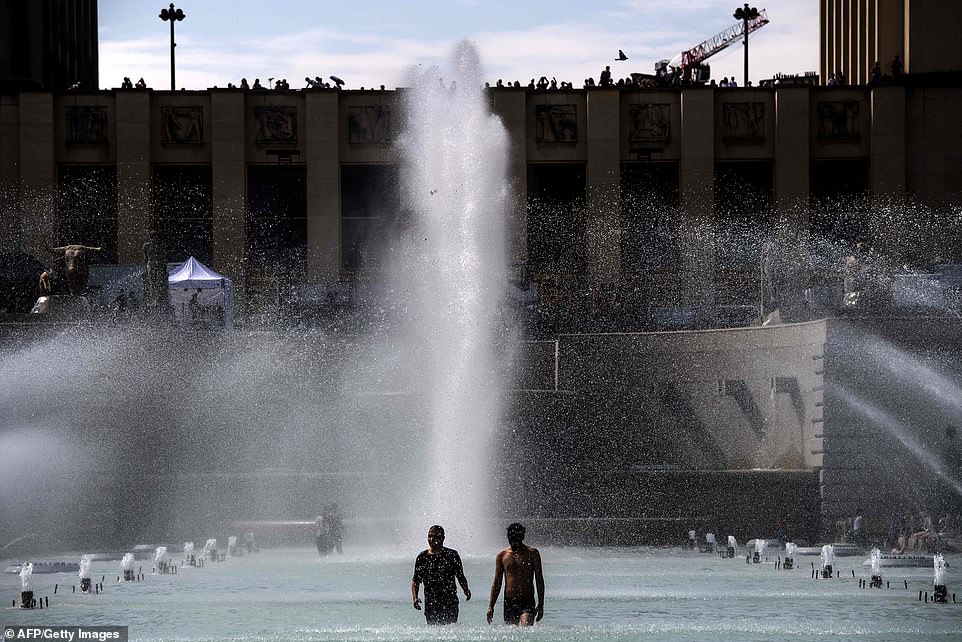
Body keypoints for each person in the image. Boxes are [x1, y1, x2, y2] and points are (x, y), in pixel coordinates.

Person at [411, 525, 471, 625]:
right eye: (430, 536)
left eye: (435, 536)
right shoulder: (422, 557)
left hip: (450, 601)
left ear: (443, 538)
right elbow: (415, 580)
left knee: (450, 628)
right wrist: (415, 598)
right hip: (431, 602)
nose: (432, 539)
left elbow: (460, 576)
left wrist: (466, 589)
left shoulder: (452, 555)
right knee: (433, 629)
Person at [487, 523, 544, 626]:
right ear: (508, 537)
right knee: (512, 631)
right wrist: (491, 606)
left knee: (526, 627)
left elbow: (539, 579)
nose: (514, 540)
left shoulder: (532, 553)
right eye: (511, 537)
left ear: (522, 537)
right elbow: (497, 582)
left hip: (527, 599)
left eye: (517, 537)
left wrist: (541, 604)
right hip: (510, 600)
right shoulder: (502, 556)